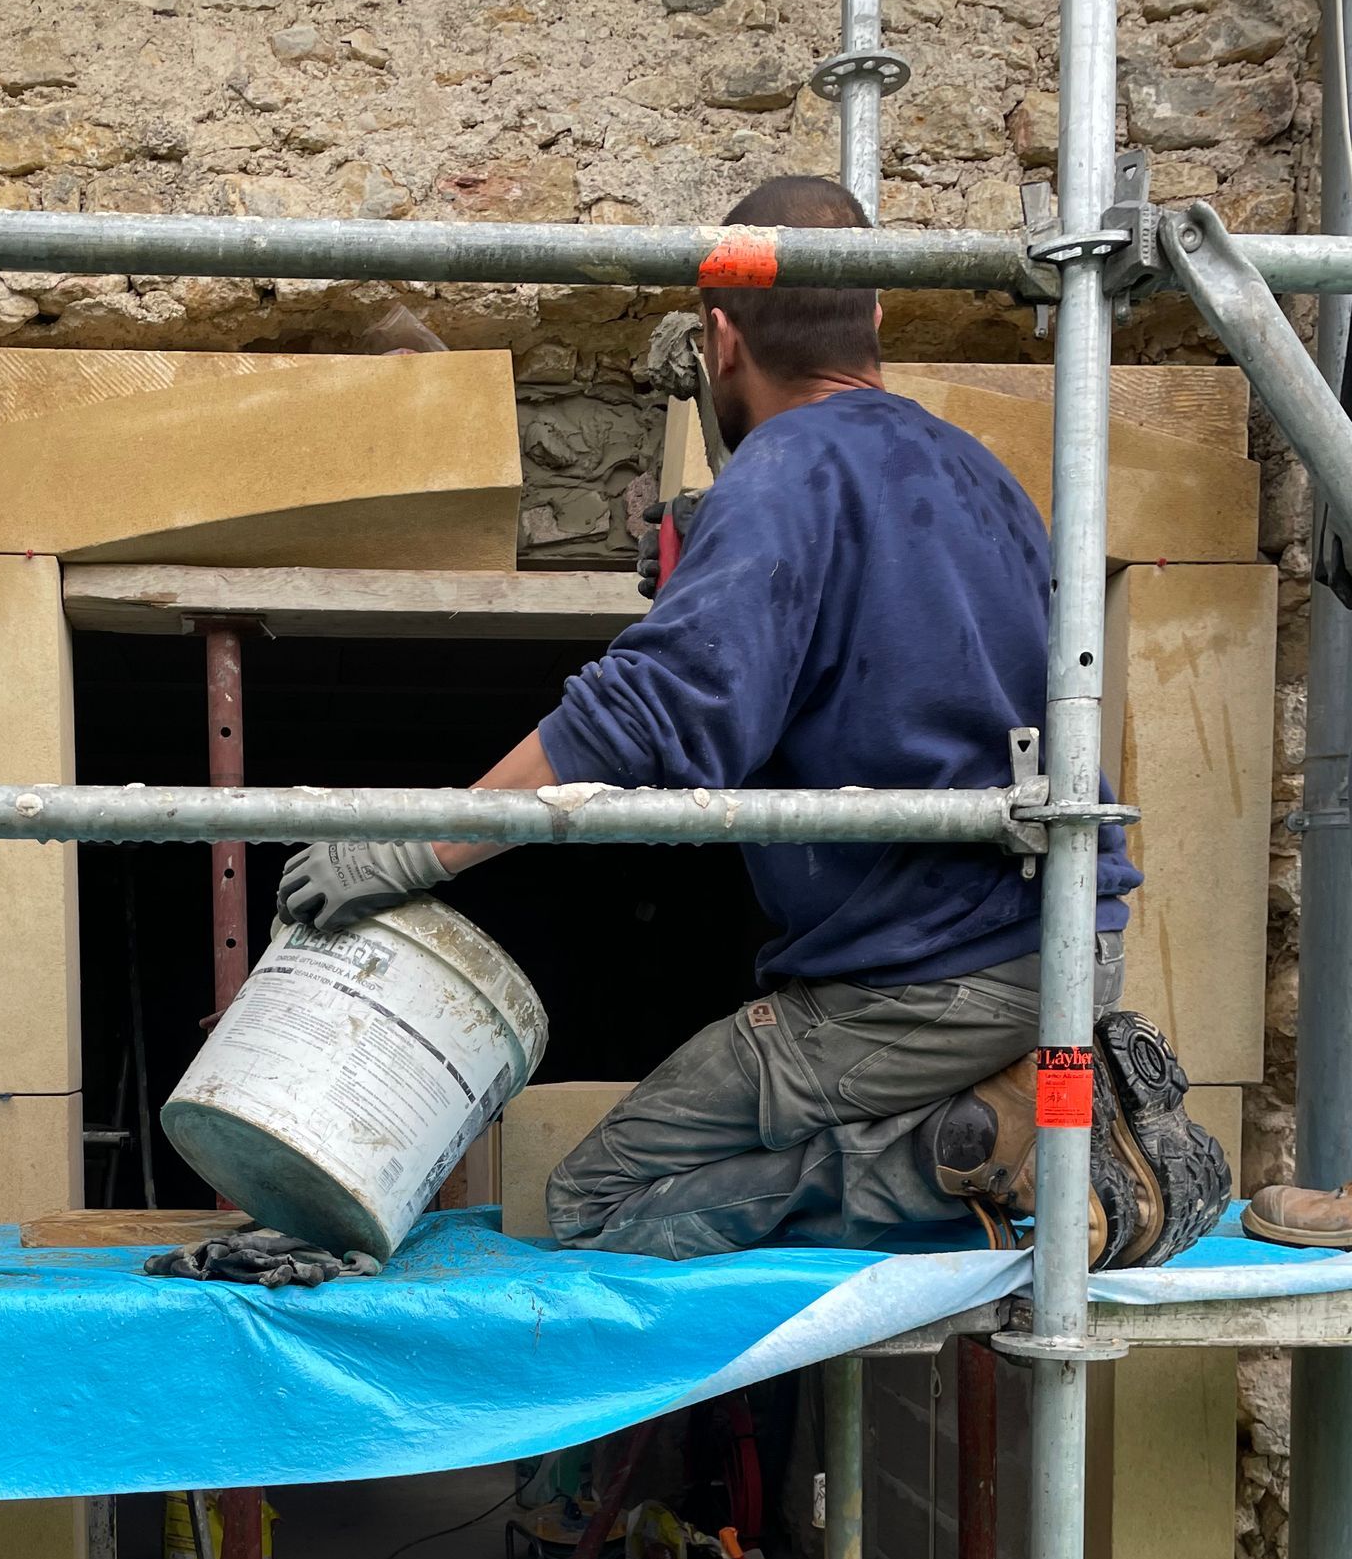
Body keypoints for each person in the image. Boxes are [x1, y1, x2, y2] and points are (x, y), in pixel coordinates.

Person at [278, 174, 1230, 1270]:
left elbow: (647, 720)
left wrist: (412, 846)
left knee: (597, 1197)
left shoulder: (787, 474)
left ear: (721, 338)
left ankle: (972, 1157)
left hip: (925, 981)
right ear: (875, 315)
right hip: (1059, 947)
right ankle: (1003, 1120)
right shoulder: (980, 473)